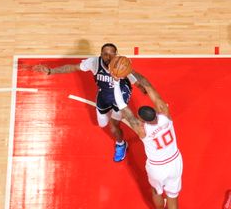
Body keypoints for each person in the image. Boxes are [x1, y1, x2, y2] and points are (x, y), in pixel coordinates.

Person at [32, 43, 166, 162]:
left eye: (111, 53)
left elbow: (137, 81)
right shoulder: (94, 62)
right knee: (102, 123)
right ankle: (116, 131)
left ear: (116, 54)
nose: (108, 56)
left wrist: (142, 88)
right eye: (105, 54)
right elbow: (72, 67)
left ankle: (121, 144)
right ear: (101, 54)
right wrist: (51, 71)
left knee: (114, 127)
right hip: (104, 94)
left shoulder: (121, 65)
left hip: (121, 96)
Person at [119, 104, 182, 209]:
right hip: (174, 163)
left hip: (157, 168)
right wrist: (136, 78)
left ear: (142, 119)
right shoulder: (165, 116)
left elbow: (124, 111)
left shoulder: (143, 130)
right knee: (173, 203)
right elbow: (155, 94)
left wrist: (115, 85)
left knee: (156, 191)